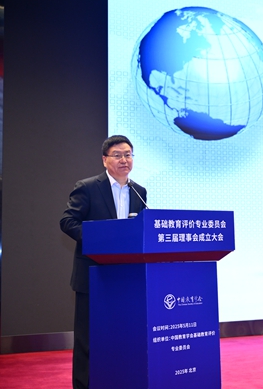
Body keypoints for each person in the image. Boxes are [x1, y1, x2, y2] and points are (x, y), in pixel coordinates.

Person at [60, 135, 147, 389]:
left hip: (125, 278)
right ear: (104, 160)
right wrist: (99, 240)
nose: (124, 160)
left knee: (120, 335)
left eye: (128, 154)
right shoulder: (87, 187)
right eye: (117, 155)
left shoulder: (139, 192)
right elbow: (67, 221)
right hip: (92, 275)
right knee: (88, 339)